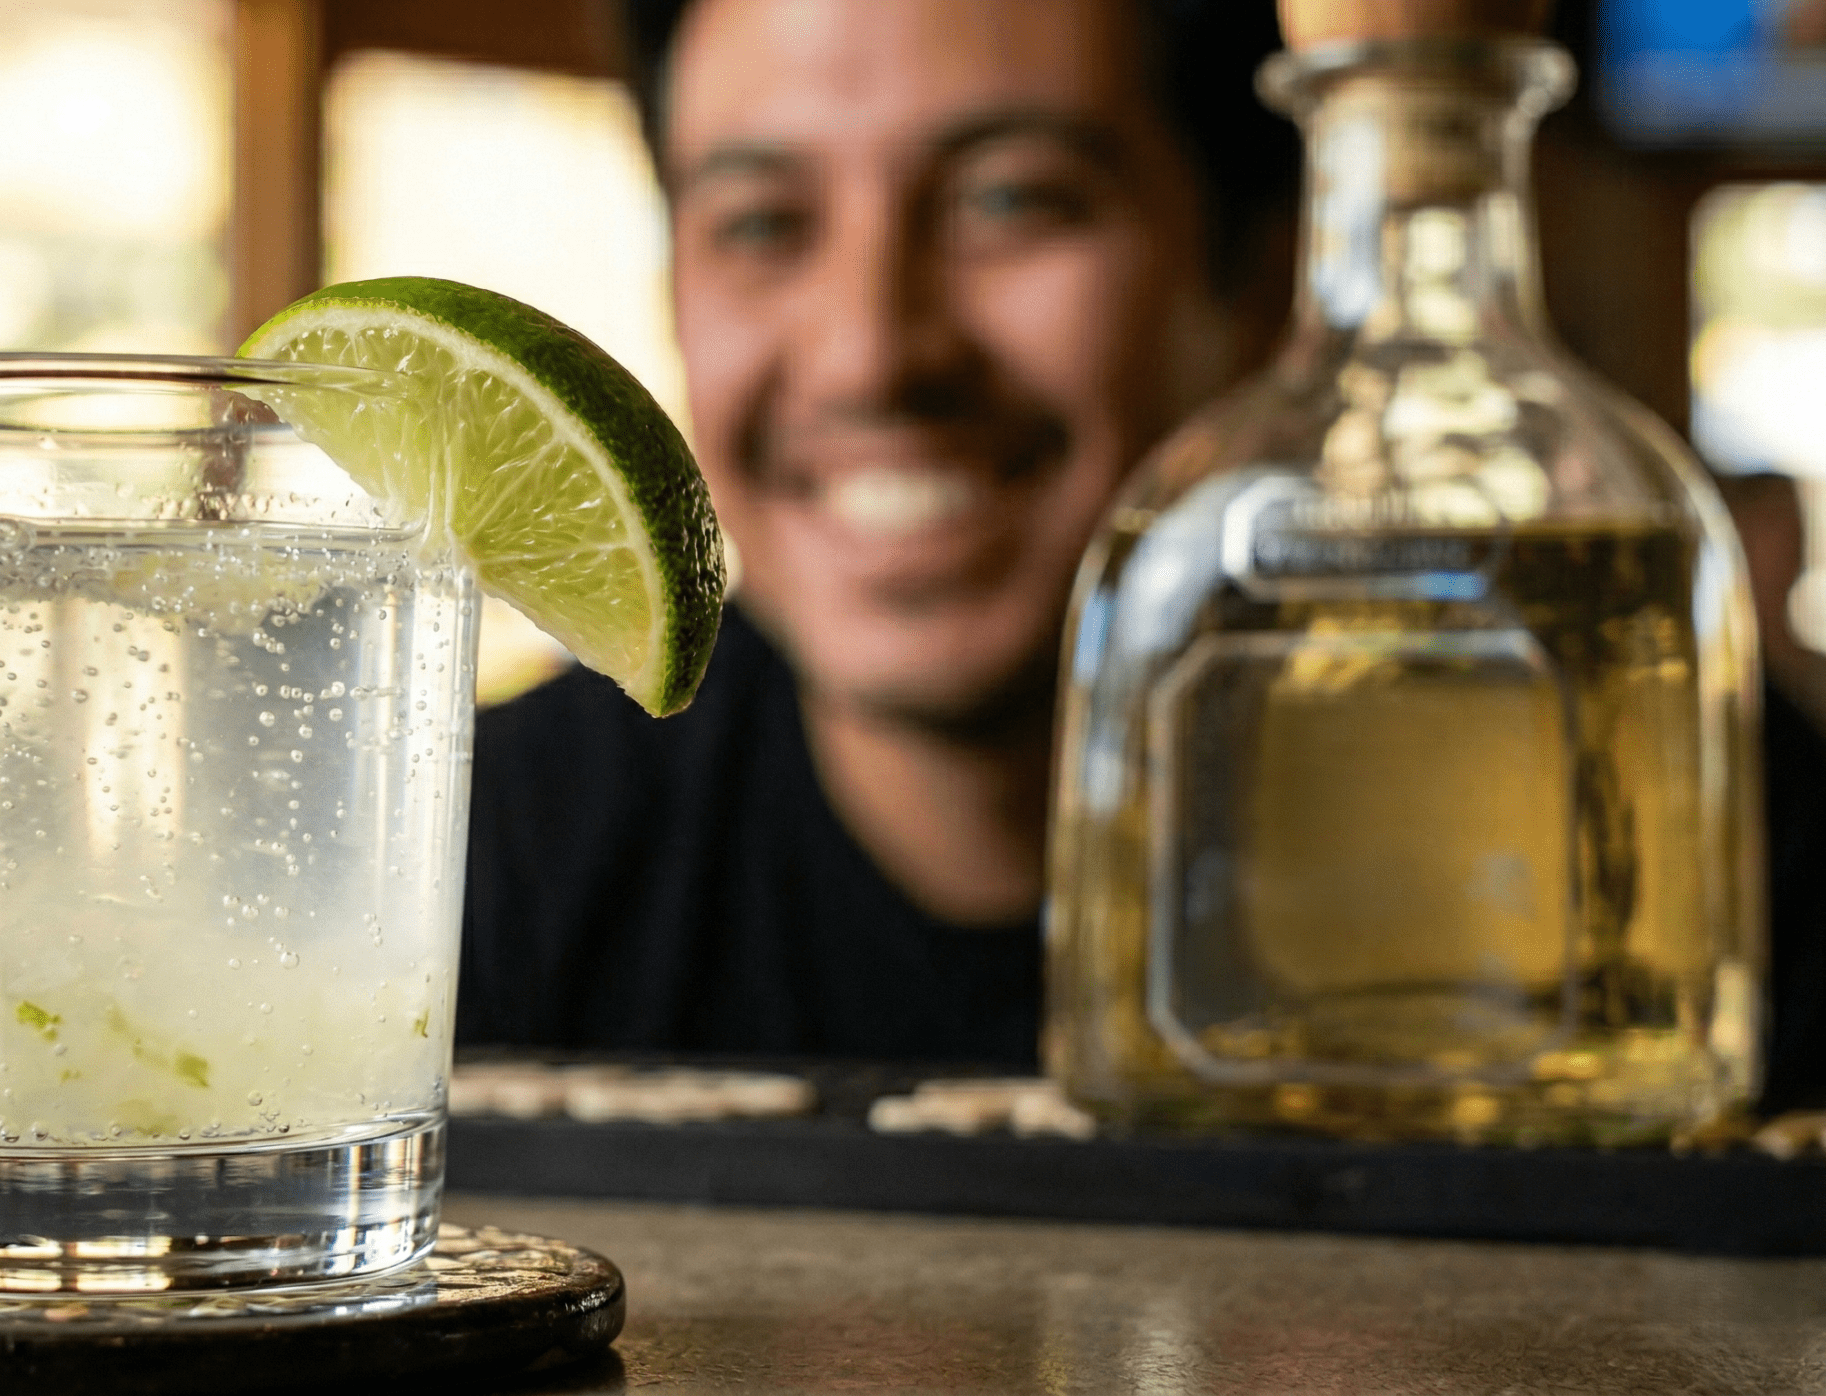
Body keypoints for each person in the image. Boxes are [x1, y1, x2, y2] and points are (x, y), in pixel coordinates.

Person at [457, 0, 1826, 1100]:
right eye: (762, 224)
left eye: (1011, 202)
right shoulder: (486, 868)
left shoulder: (1671, 834)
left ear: (1261, 277)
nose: (872, 354)